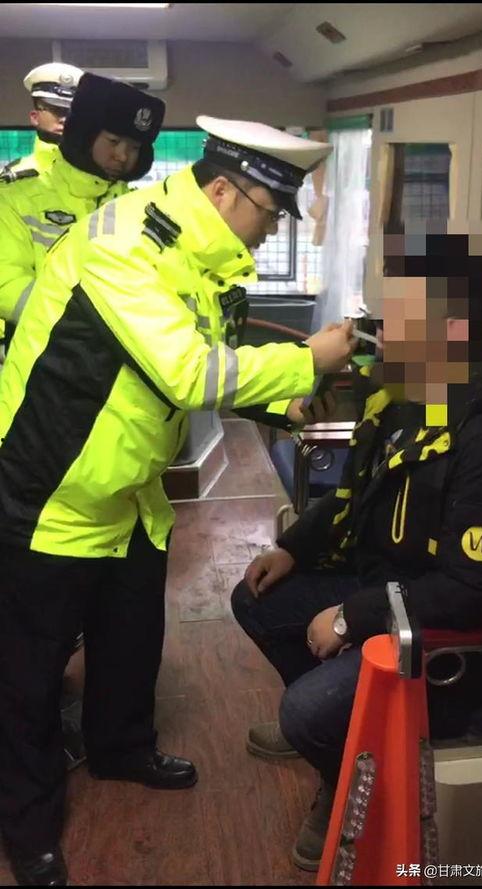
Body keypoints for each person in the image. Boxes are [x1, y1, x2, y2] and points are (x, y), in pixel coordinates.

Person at [0, 115, 356, 886]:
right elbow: (188, 372)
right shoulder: (126, 243)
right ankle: (28, 825)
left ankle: (122, 748)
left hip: (129, 488)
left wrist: (283, 402)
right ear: (223, 191)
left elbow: (205, 359)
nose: (272, 232)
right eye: (270, 214)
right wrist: (306, 358)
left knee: (129, 641)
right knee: (27, 676)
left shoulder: (196, 254)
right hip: (55, 489)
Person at [231, 232, 482, 872]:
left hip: (436, 634)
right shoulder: (403, 399)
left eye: (400, 316)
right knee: (257, 598)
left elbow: (472, 590)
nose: (380, 331)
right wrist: (293, 547)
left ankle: (342, 766)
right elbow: (353, 498)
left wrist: (355, 617)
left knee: (303, 712)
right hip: (383, 594)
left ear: (451, 330)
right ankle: (347, 744)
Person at [0, 72, 164, 342]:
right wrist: (82, 325)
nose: (122, 156)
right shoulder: (15, 198)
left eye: (134, 147)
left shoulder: (141, 208)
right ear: (85, 135)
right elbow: (6, 282)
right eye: (113, 141)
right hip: (43, 353)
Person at [0, 61, 83, 178]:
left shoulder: (101, 177)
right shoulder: (10, 179)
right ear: (35, 117)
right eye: (56, 110)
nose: (65, 119)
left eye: (73, 113)